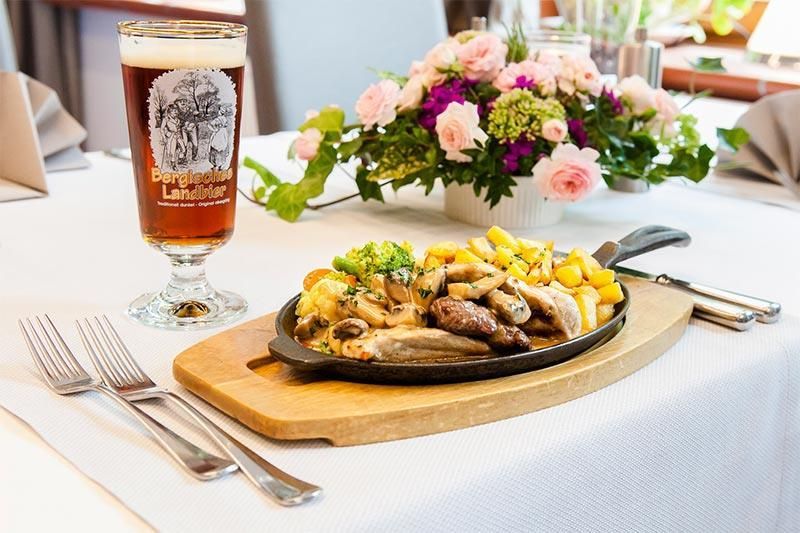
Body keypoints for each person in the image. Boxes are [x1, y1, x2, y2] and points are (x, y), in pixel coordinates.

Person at [161, 104, 185, 170]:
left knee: (183, 149)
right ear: (169, 111)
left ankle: (180, 160)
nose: (176, 112)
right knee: (172, 151)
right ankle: (173, 164)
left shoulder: (178, 119)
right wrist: (164, 137)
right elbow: (162, 129)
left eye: (176, 111)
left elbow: (178, 128)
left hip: (178, 136)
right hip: (171, 137)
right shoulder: (166, 119)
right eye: (174, 111)